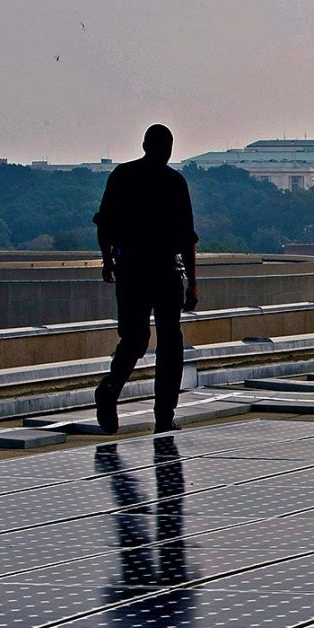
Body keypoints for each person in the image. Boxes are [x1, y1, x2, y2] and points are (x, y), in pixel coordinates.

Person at [93, 123, 199, 434]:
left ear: (143, 145)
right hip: (165, 271)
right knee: (170, 343)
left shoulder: (122, 176)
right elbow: (187, 238)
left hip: (132, 270)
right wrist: (192, 282)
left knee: (135, 338)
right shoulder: (174, 182)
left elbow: (103, 225)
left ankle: (111, 387)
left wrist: (107, 261)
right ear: (168, 149)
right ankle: (164, 415)